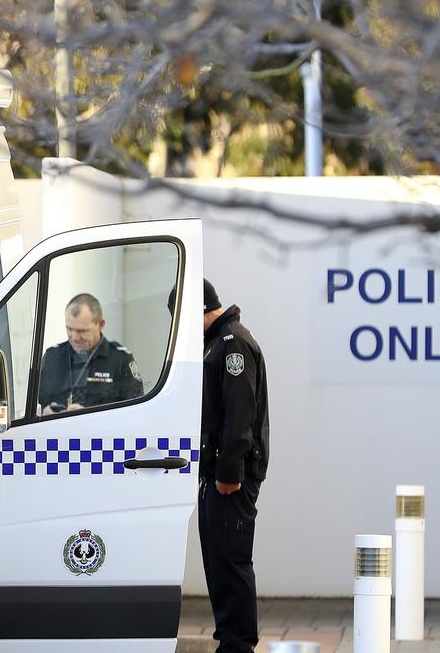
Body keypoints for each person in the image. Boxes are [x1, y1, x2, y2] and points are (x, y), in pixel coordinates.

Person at [195, 279, 269, 653]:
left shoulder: (232, 343)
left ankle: (237, 645)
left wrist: (227, 475)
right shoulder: (219, 342)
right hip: (219, 476)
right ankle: (231, 640)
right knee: (220, 561)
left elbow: (241, 414)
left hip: (231, 481)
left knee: (231, 561)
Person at [37, 293, 144, 414]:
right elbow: (40, 401)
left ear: (100, 325)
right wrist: (46, 414)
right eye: (69, 329)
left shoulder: (120, 358)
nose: (75, 337)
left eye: (82, 331)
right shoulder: (53, 356)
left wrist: (88, 415)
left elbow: (135, 412)